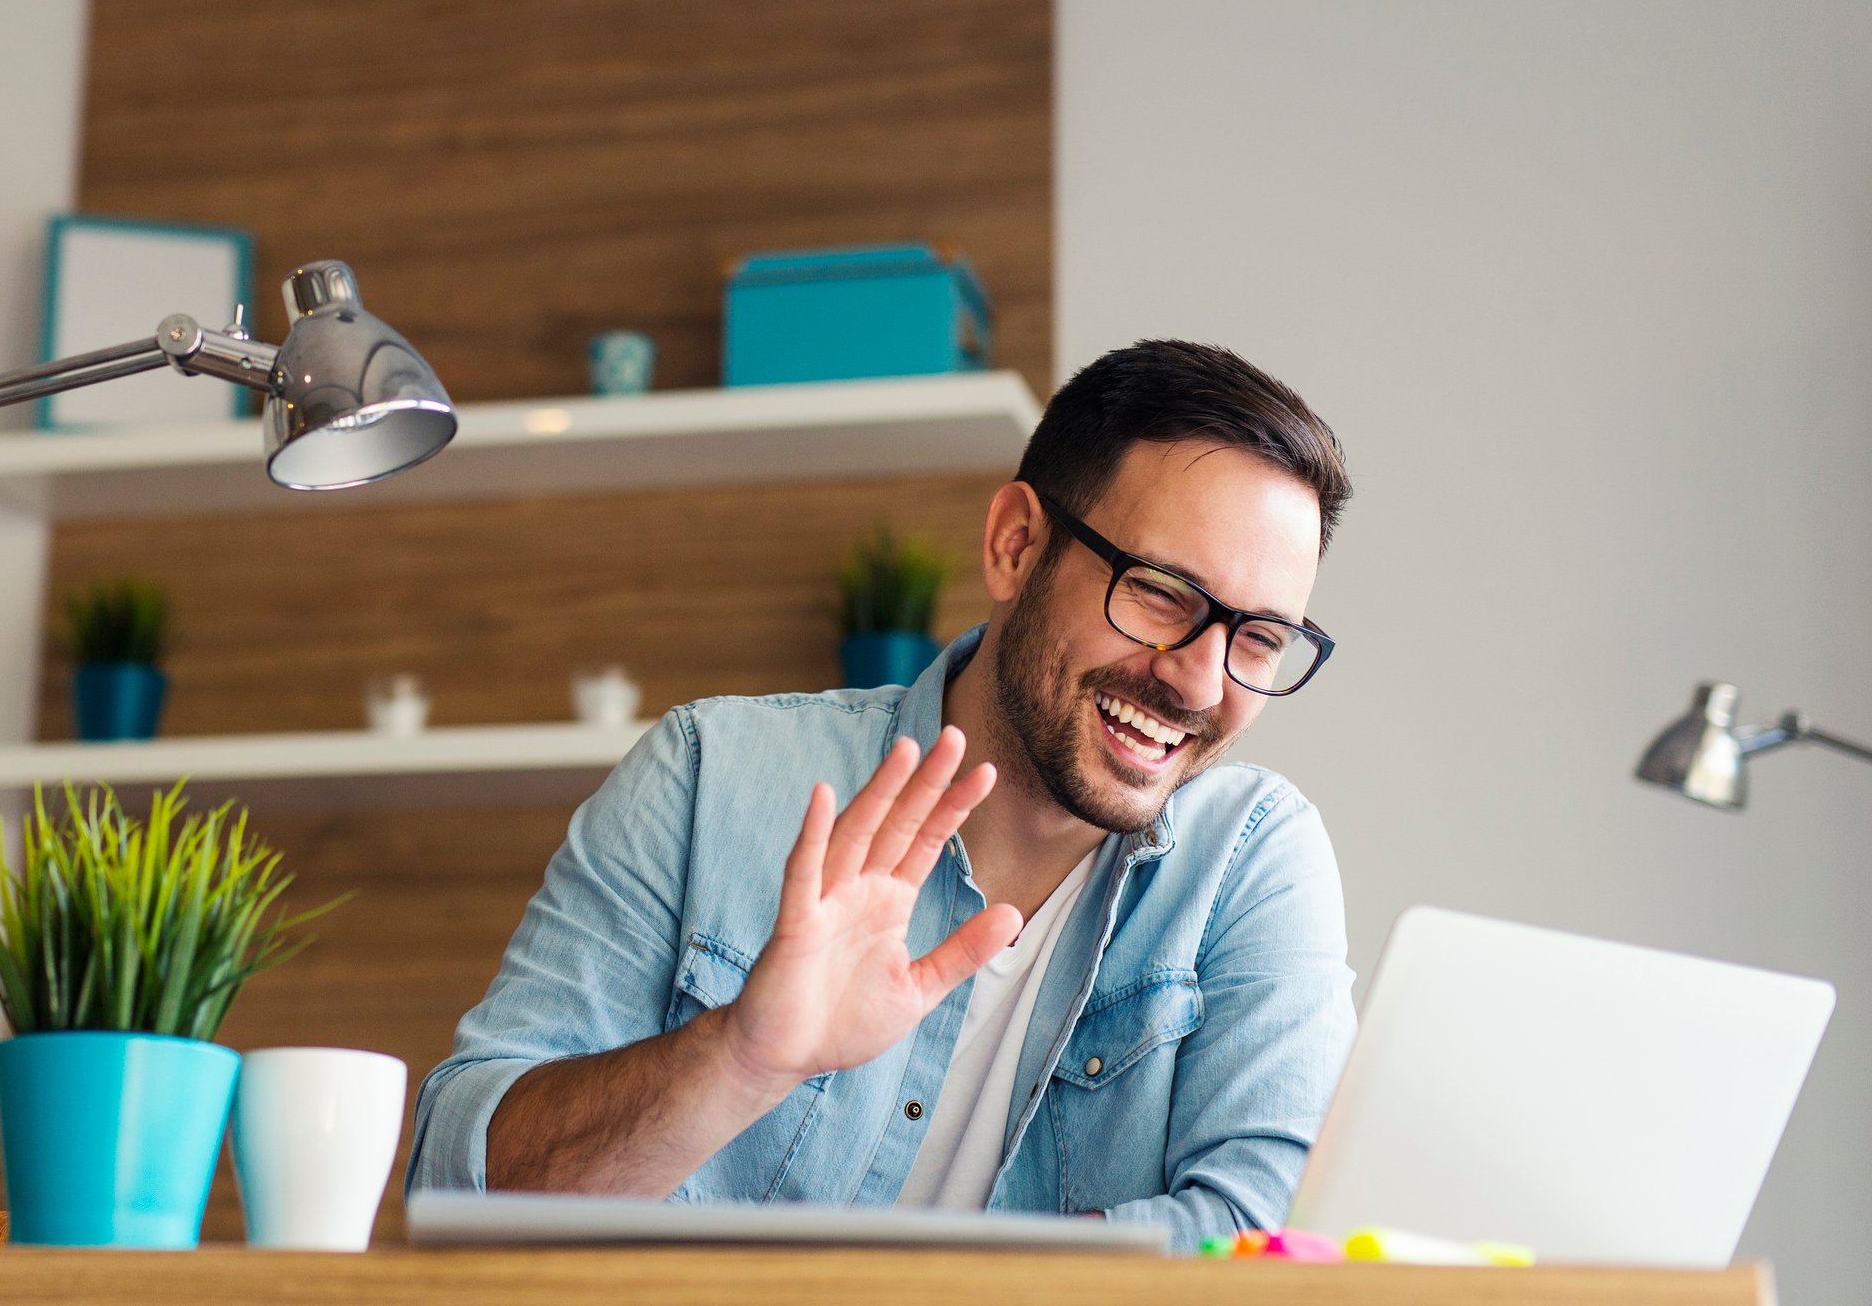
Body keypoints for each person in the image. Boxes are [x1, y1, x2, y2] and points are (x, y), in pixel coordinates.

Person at [408, 339, 1357, 1246]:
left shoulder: (1248, 860)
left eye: (1260, 640)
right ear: (1015, 545)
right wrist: (737, 1059)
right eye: (1161, 594)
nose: (1199, 681)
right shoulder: (711, 773)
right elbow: (456, 1192)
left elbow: (1266, 1239)